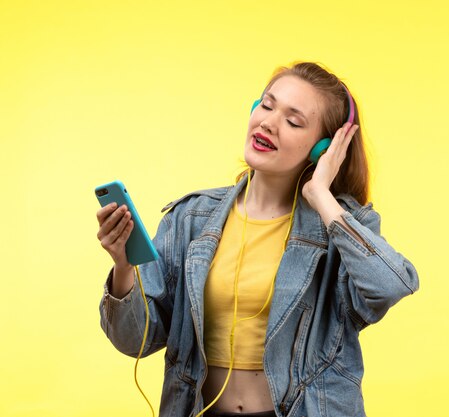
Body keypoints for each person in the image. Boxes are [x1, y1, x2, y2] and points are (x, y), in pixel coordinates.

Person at [97, 62, 419, 417]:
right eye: (266, 105)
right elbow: (133, 341)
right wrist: (123, 267)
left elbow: (389, 286)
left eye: (294, 121)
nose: (268, 122)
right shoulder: (191, 218)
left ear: (323, 149)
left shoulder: (342, 226)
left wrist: (321, 196)